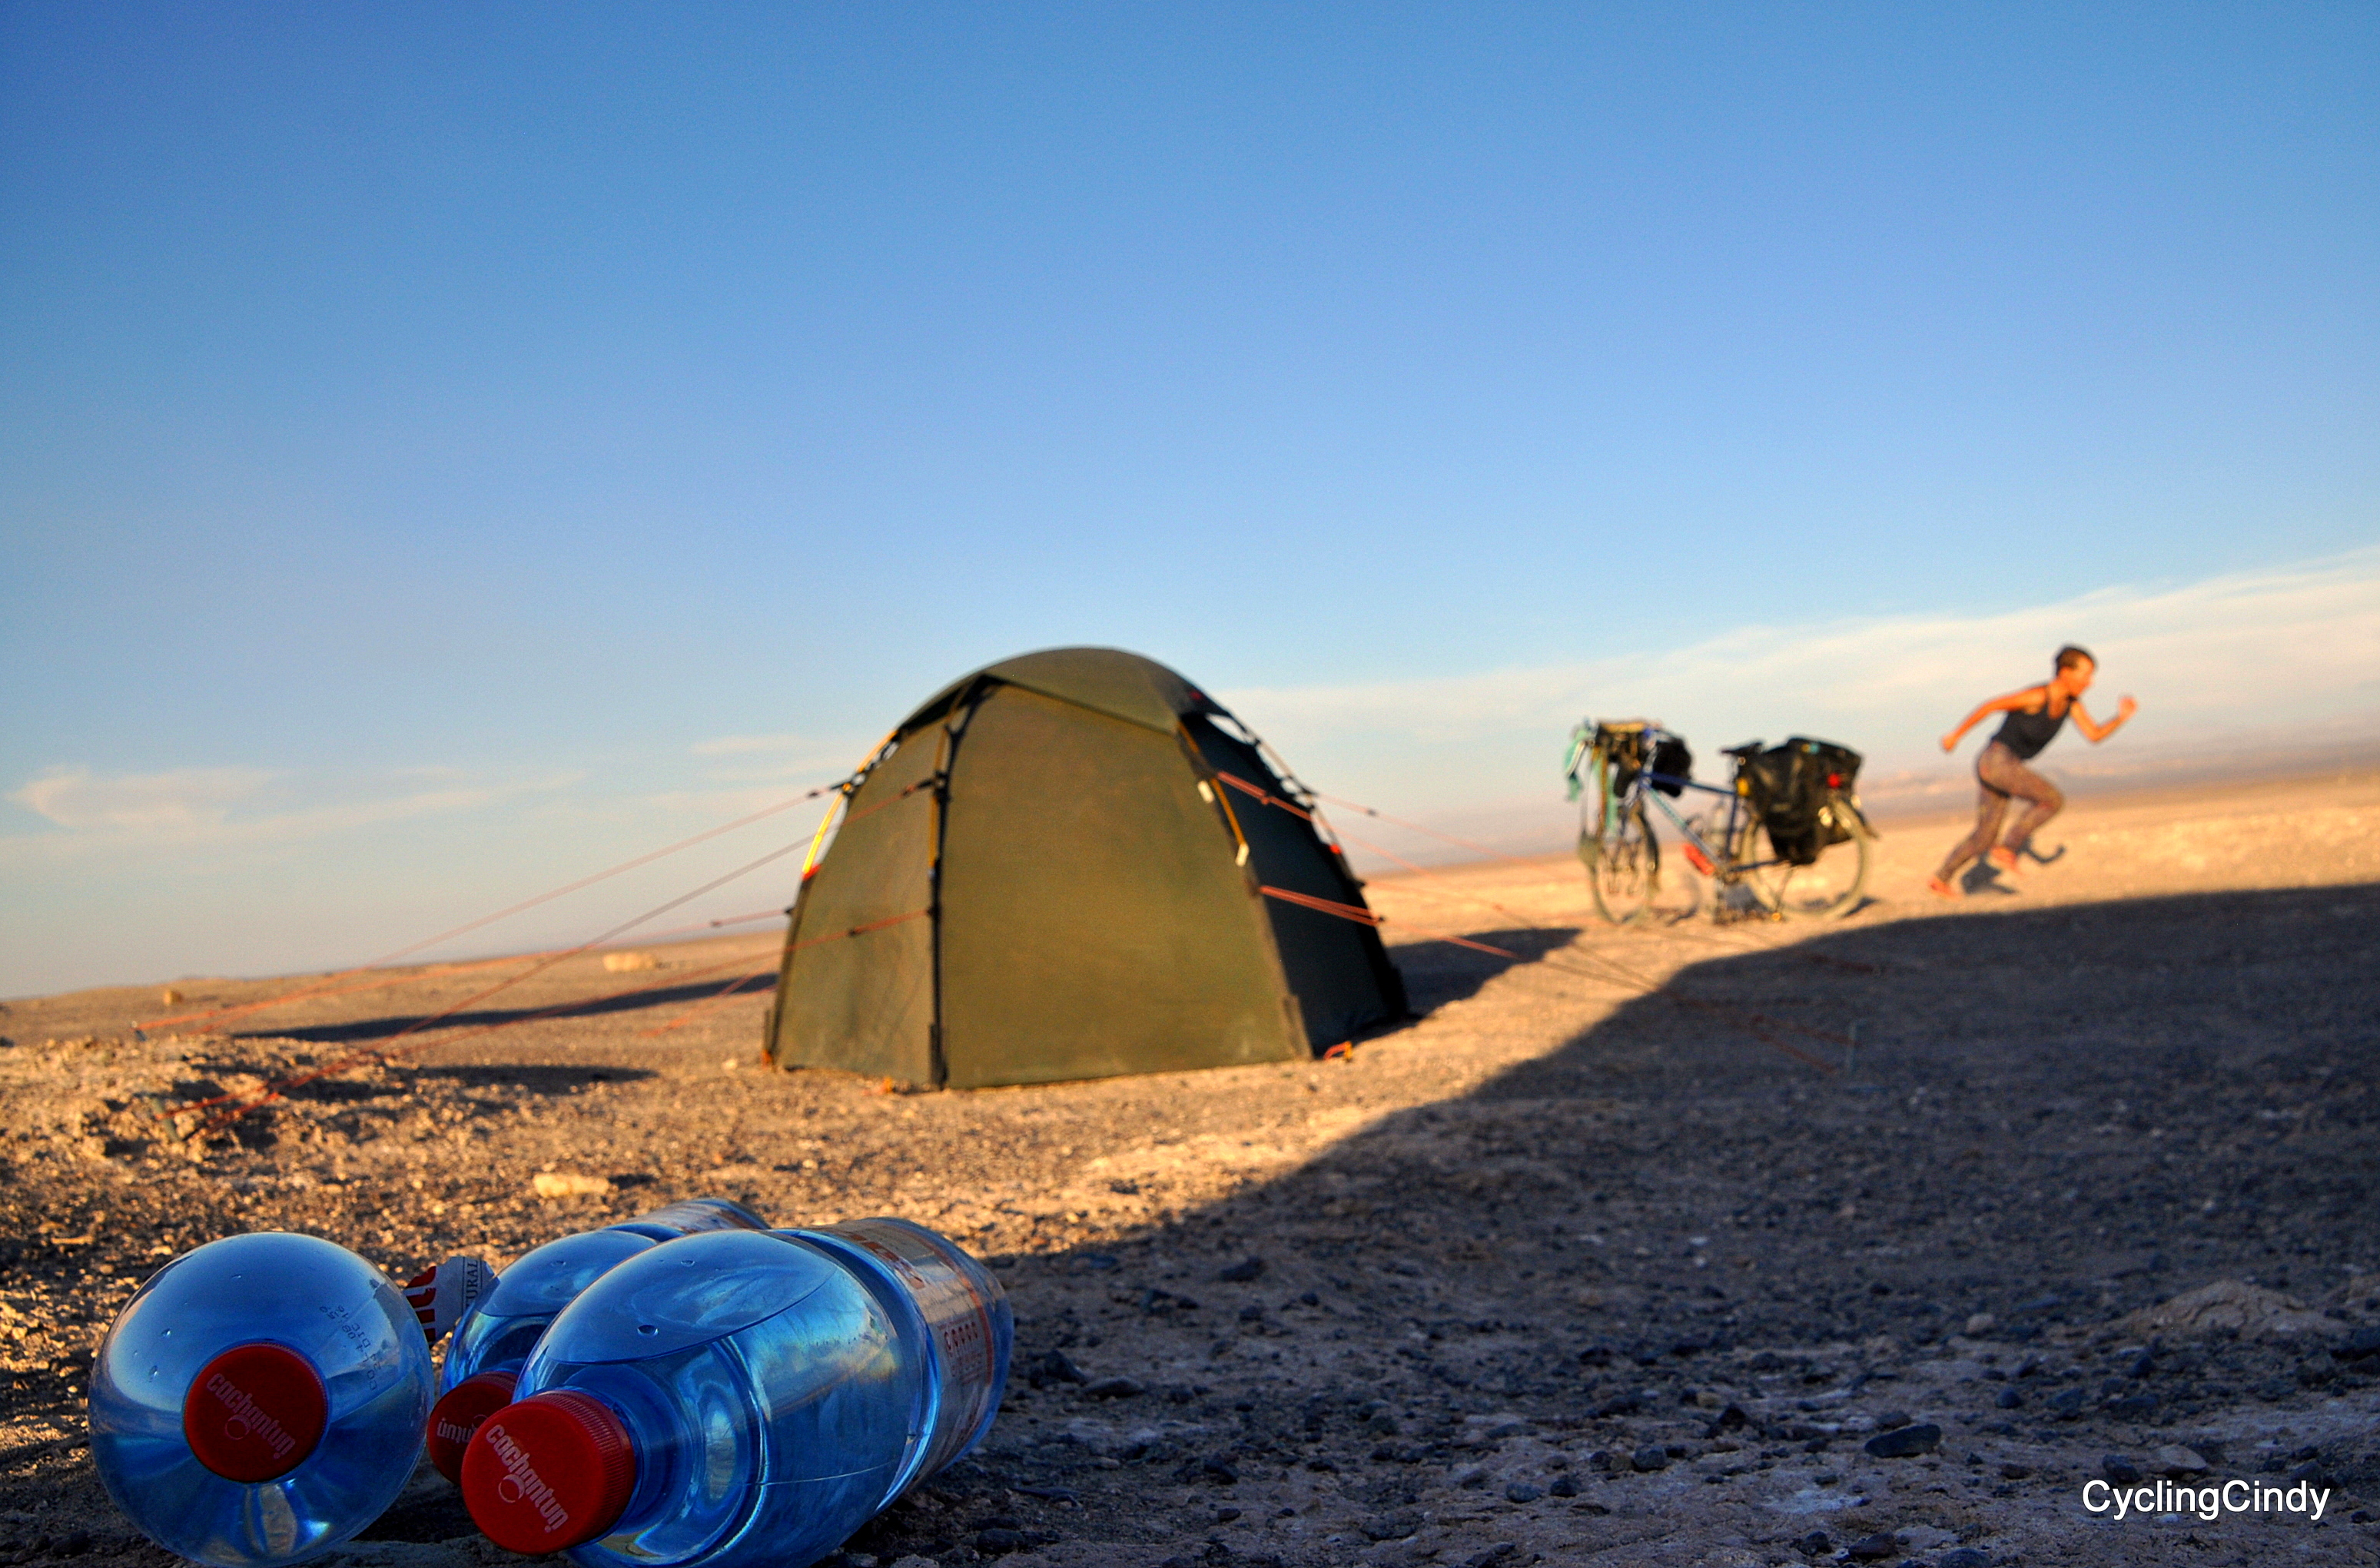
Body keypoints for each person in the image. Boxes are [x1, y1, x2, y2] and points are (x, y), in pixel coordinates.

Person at [1929, 645, 2136, 898]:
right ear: (2066, 673)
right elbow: (1991, 706)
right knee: (2052, 799)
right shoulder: (2037, 697)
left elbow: (2094, 735)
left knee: (1984, 837)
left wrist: (2121, 718)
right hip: (1995, 761)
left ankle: (1941, 878)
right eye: (2085, 675)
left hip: (2004, 766)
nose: (2089, 683)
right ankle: (2008, 848)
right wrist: (1956, 735)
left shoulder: (2072, 706)